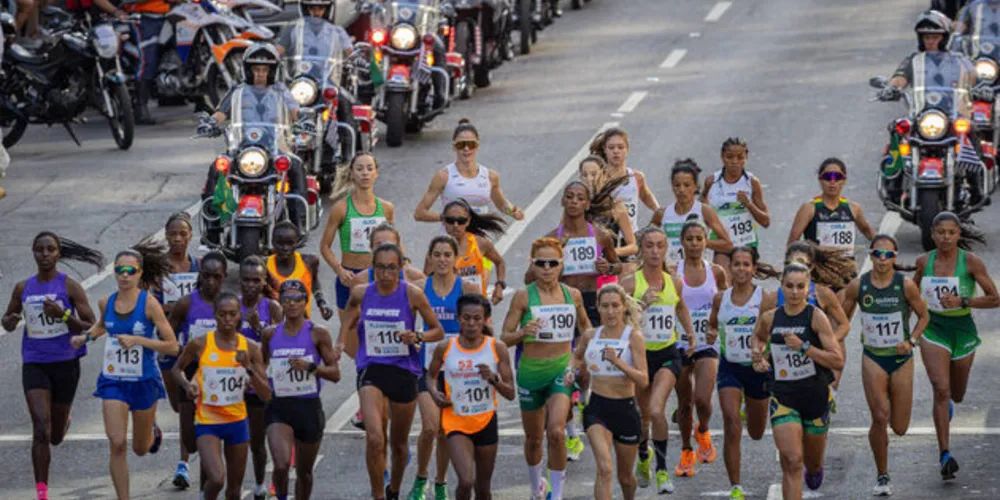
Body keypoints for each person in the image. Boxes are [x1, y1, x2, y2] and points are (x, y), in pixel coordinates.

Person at [335, 243, 444, 500]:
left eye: (392, 268)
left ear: (401, 267)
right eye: (381, 268)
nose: (386, 274)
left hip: (403, 369)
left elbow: (436, 330)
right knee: (375, 437)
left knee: (398, 445)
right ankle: (378, 495)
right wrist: (340, 341)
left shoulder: (413, 294)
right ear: (373, 268)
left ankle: (393, 489)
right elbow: (349, 315)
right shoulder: (362, 293)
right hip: (371, 368)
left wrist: (417, 335)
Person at [72, 244, 180, 500]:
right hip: (113, 381)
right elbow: (103, 326)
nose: (124, 275)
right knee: (117, 443)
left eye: (130, 271)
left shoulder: (150, 304)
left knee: (141, 449)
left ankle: (152, 430)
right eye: (120, 270)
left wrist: (139, 341)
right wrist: (86, 338)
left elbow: (173, 346)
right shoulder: (105, 302)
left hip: (143, 381)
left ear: (140, 274)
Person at [2, 232, 103, 500]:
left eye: (50, 250)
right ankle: (42, 492)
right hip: (35, 362)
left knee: (55, 435)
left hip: (66, 364)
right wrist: (10, 321)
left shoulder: (70, 287)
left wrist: (64, 315)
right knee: (39, 428)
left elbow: (92, 327)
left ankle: (63, 422)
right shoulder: (23, 288)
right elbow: (7, 319)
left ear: (59, 254)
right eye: (40, 250)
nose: (45, 254)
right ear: (33, 253)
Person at [501, 237, 592, 500]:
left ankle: (557, 493)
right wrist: (522, 333)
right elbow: (504, 337)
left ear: (561, 265)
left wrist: (583, 354)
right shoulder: (523, 296)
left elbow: (585, 328)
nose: (547, 268)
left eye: (553, 263)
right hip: (530, 371)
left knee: (555, 431)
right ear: (532, 264)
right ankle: (535, 487)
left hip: (561, 370)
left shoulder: (571, 295)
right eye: (541, 263)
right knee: (533, 439)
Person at [912, 212, 999, 480]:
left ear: (959, 234)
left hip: (962, 331)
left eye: (951, 232)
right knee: (941, 388)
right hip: (934, 328)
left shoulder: (971, 262)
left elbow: (995, 298)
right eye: (941, 232)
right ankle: (945, 454)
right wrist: (908, 331)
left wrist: (964, 301)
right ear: (933, 234)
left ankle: (949, 401)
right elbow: (910, 295)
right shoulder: (923, 262)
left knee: (956, 394)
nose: (946, 237)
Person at [841, 235, 930, 496]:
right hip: (873, 357)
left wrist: (911, 341)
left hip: (901, 358)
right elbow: (841, 318)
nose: (882, 259)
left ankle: (893, 401)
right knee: (879, 416)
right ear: (870, 255)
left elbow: (924, 316)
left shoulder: (907, 286)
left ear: (895, 257)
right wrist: (831, 341)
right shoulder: (859, 286)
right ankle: (882, 475)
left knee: (900, 428)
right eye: (878, 254)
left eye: (888, 255)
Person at [751, 263, 844, 499]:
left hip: (815, 396)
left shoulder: (816, 317)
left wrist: (804, 347)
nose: (794, 292)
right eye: (789, 286)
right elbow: (758, 338)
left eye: (800, 287)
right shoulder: (770, 317)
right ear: (782, 287)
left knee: (811, 465)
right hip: (784, 396)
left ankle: (815, 468)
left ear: (809, 290)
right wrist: (758, 356)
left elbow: (837, 360)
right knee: (792, 461)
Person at [199, 44, 310, 241]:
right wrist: (210, 122)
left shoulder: (281, 91)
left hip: (276, 148)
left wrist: (304, 120)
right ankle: (212, 228)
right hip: (241, 149)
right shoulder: (238, 91)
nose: (260, 74)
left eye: (264, 70)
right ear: (248, 70)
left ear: (272, 71)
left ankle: (297, 222)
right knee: (216, 168)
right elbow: (221, 112)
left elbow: (295, 111)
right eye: (256, 69)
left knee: (296, 166)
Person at [173, 293, 271, 500]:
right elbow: (177, 369)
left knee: (234, 490)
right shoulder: (200, 344)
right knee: (217, 479)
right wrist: (186, 385)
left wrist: (249, 369)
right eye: (222, 314)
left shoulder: (251, 348)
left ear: (239, 316)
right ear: (215, 316)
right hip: (208, 421)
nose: (227, 319)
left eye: (232, 314)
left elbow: (266, 395)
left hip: (237, 422)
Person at [406, 236, 481, 500]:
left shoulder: (467, 287)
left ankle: (440, 482)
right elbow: (408, 324)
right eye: (436, 254)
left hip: (457, 369)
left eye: (447, 254)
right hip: (426, 367)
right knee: (430, 426)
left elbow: (483, 327)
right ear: (429, 257)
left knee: (445, 429)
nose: (442, 260)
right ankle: (421, 478)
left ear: (455, 257)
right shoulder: (418, 287)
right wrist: (415, 339)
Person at [620, 227, 695, 494]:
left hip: (667, 353)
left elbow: (681, 306)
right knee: (643, 418)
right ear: (640, 249)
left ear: (666, 249)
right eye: (649, 245)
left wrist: (690, 333)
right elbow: (617, 322)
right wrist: (640, 304)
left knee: (655, 410)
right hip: (640, 356)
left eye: (659, 246)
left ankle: (662, 471)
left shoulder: (674, 281)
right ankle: (644, 455)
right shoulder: (630, 283)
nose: (654, 251)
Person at [426, 294, 516, 500]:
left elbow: (510, 393)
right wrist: (434, 393)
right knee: (466, 481)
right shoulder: (445, 347)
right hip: (456, 420)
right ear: (458, 319)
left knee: (483, 489)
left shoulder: (496, 348)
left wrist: (494, 380)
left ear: (485, 320)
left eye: (477, 318)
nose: (472, 323)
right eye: (466, 318)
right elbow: (430, 376)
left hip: (485, 420)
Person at [708, 246, 779, 500]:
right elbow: (713, 324)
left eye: (746, 264)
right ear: (730, 268)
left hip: (756, 369)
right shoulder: (721, 298)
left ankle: (748, 410)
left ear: (754, 268)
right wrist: (711, 334)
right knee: (730, 421)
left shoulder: (765, 298)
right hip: (730, 366)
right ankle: (735, 486)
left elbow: (767, 332)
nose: (740, 269)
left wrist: (761, 354)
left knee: (757, 432)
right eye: (736, 264)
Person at [262, 280, 340, 500]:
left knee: (304, 473)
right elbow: (263, 364)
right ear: (281, 302)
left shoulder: (318, 333)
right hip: (279, 407)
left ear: (306, 302)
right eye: (287, 299)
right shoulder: (270, 334)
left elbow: (335, 374)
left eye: (298, 299)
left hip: (308, 407)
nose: (292, 304)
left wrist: (312, 367)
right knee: (281, 464)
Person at [572, 285, 649, 500]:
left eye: (615, 305)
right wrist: (571, 370)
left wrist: (618, 362)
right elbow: (577, 357)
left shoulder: (633, 337)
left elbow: (643, 380)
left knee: (625, 478)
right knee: (605, 468)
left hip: (625, 409)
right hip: (597, 409)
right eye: (605, 306)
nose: (610, 311)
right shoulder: (590, 335)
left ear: (623, 307)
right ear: (597, 308)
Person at [168, 250, 229, 495]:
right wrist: (181, 348)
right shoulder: (187, 303)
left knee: (209, 440)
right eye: (206, 276)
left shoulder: (228, 305)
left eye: (216, 277)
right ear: (200, 276)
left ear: (223, 277)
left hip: (218, 375)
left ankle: (207, 491)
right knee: (191, 442)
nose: (210, 282)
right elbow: (168, 332)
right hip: (190, 372)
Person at [673, 221, 729, 478]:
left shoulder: (716, 271)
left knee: (703, 400)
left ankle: (703, 428)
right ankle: (686, 451)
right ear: (682, 242)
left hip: (707, 343)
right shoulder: (673, 272)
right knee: (684, 404)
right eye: (690, 239)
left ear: (706, 242)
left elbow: (727, 303)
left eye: (699, 238)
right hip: (680, 343)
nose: (695, 243)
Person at [319, 153, 395, 320]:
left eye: (369, 169)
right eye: (359, 169)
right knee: (351, 337)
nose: (365, 173)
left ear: (377, 173)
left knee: (378, 331)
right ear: (352, 174)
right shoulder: (341, 208)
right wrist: (339, 270)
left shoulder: (386, 208)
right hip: (350, 278)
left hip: (379, 276)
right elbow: (325, 246)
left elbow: (394, 244)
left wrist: (403, 264)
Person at [155, 212, 201, 490]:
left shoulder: (198, 266)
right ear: (166, 235)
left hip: (192, 346)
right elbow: (146, 303)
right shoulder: (158, 270)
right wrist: (165, 310)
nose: (177, 239)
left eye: (182, 234)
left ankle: (183, 465)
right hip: (167, 344)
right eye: (172, 233)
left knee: (186, 407)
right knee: (176, 405)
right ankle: (152, 426)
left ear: (190, 235)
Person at [536, 181, 622, 327]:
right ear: (563, 201)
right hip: (562, 298)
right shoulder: (552, 239)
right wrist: (554, 257)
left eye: (580, 198)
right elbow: (529, 277)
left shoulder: (600, 236)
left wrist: (608, 268)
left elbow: (618, 266)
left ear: (587, 204)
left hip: (591, 300)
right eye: (569, 197)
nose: (574, 201)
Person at [781, 242, 852, 407]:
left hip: (816, 358)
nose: (798, 270)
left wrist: (827, 343)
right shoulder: (775, 296)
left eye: (803, 265)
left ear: (811, 267)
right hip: (786, 361)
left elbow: (844, 325)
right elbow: (760, 332)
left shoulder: (823, 294)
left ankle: (831, 389)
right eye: (793, 265)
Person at [414, 119, 524, 222]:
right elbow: (419, 213)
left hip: (481, 239)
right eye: (461, 145)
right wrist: (449, 219)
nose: (466, 149)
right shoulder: (443, 177)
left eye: (471, 144)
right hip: (453, 239)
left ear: (477, 145)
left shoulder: (490, 176)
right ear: (454, 147)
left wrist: (513, 212)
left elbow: (501, 204)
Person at [239, 256, 284, 500]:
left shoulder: (271, 307)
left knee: (257, 441)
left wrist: (258, 330)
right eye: (246, 280)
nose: (250, 285)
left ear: (264, 281)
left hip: (261, 382)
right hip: (235, 382)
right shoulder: (232, 306)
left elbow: (281, 345)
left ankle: (259, 484)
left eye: (256, 280)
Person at [787, 158, 876, 267]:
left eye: (837, 177)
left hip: (846, 269)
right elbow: (792, 243)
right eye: (827, 177)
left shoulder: (853, 208)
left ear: (844, 180)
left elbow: (867, 231)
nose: (832, 182)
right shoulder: (809, 208)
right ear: (820, 180)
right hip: (818, 271)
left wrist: (884, 249)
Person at [701, 138, 771, 268]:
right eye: (729, 157)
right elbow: (701, 208)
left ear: (746, 157)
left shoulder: (752, 182)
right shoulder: (712, 182)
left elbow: (766, 221)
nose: (735, 162)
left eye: (740, 157)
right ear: (722, 157)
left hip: (746, 243)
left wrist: (749, 204)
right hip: (722, 244)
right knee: (723, 283)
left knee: (741, 281)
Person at [651, 160, 733, 264]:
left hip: (699, 273)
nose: (681, 190)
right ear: (672, 186)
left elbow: (728, 245)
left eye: (686, 185)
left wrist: (698, 242)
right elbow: (646, 242)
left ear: (695, 186)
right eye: (677, 185)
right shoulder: (661, 214)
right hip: (672, 273)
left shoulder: (705, 211)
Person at [434, 198, 508, 304]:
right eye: (450, 221)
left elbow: (500, 262)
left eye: (461, 221)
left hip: (476, 309)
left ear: (468, 221)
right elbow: (428, 283)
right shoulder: (437, 249)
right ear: (444, 221)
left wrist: (499, 285)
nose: (455, 225)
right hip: (449, 309)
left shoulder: (480, 243)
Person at [589, 127, 659, 238]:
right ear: (604, 149)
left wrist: (658, 211)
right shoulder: (598, 179)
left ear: (627, 149)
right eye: (611, 147)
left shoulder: (637, 177)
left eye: (620, 147)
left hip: (631, 238)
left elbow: (646, 195)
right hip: (606, 239)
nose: (616, 151)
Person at [267, 221, 334, 321]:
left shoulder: (309, 262)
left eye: (290, 244)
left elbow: (314, 283)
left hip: (301, 324)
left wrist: (322, 303)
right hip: (273, 327)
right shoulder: (265, 266)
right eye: (280, 243)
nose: (285, 248)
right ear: (272, 242)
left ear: (297, 243)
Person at [578, 155, 637, 259]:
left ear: (604, 175)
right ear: (580, 178)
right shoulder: (575, 206)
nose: (589, 179)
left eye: (594, 174)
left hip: (606, 269)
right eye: (584, 175)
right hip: (582, 270)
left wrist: (611, 252)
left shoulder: (615, 206)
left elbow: (633, 246)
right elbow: (561, 237)